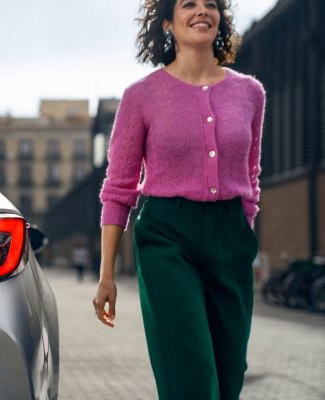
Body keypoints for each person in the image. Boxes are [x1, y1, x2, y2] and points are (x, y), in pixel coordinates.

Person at [92, 1, 266, 399]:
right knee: (190, 374)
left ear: (220, 18)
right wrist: (106, 275)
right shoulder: (141, 97)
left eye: (211, 4)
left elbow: (251, 176)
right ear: (168, 22)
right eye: (189, 4)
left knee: (228, 375)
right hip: (168, 237)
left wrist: (242, 230)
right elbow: (118, 188)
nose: (202, 10)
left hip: (230, 238)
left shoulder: (250, 93)